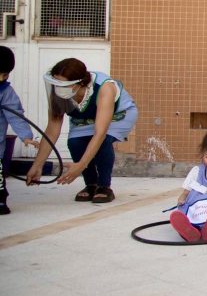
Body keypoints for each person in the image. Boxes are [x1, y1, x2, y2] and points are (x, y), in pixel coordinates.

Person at [26, 58, 138, 203]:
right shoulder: (59, 93)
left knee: (104, 141)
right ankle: (91, 184)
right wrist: (37, 165)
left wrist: (81, 164)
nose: (58, 88)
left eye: (63, 85)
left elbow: (100, 133)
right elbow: (52, 130)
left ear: (80, 83)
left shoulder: (104, 88)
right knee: (75, 143)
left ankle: (104, 186)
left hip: (119, 115)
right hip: (86, 118)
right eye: (55, 83)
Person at [0, 46, 40, 215]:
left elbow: (15, 114)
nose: (3, 78)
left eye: (6, 74)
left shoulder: (5, 91)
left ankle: (0, 200)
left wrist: (26, 136)